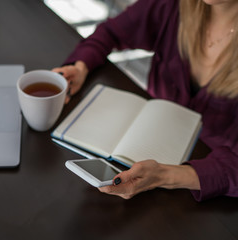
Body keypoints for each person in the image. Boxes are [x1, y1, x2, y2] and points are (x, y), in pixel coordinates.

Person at [52, 0, 238, 201]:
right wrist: (81, 67)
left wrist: (166, 176)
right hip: (144, 152)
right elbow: (111, 32)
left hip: (204, 179)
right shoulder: (174, 5)